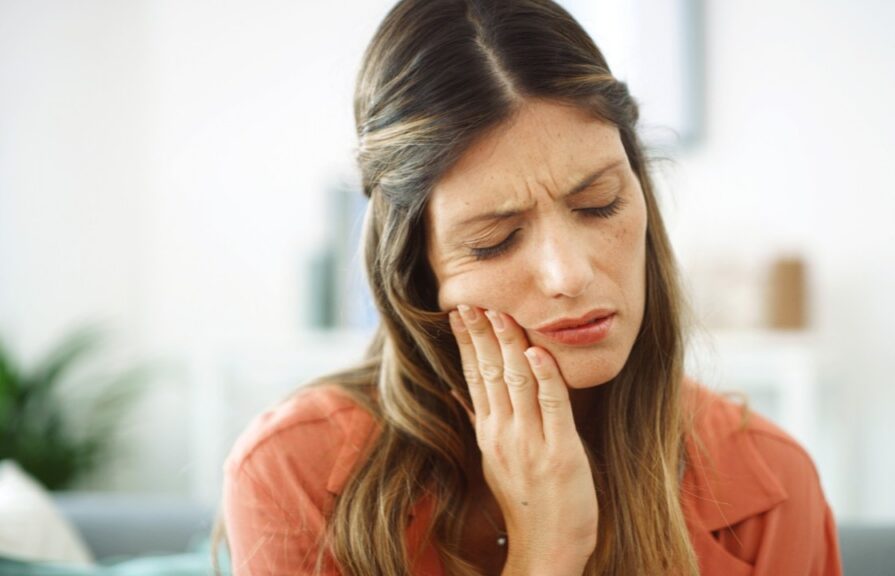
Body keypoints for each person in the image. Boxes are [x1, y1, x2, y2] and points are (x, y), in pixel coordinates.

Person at [219, 0, 843, 574]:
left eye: (600, 204)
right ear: (419, 269)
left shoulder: (772, 482)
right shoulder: (291, 471)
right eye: (495, 240)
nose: (568, 275)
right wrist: (547, 549)